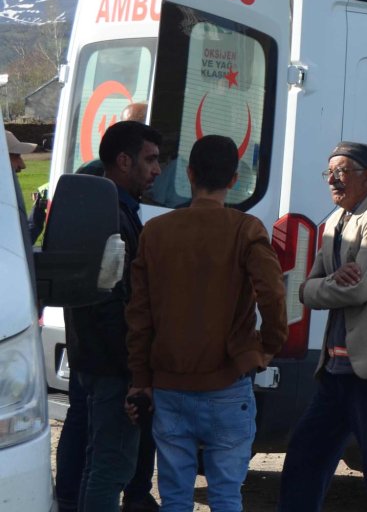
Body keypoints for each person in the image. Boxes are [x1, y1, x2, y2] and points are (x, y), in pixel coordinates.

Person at [125, 135, 288, 511]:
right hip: (228, 382)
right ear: (234, 180)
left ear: (189, 174)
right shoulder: (245, 229)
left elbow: (139, 314)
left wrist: (140, 380)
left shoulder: (156, 232)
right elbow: (273, 293)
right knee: (226, 495)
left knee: (176, 497)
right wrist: (267, 346)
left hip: (168, 384)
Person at [279, 142, 367, 512]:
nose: (333, 180)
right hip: (336, 370)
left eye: (342, 171)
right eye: (329, 173)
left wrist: (328, 285)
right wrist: (328, 284)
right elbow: (305, 290)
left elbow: (360, 288)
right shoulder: (335, 221)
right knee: (305, 455)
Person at [65, 121, 161, 512]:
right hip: (112, 366)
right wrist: (133, 372)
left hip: (92, 358)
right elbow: (112, 303)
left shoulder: (101, 207)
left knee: (97, 462)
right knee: (110, 466)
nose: (157, 170)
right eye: (150, 159)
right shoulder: (115, 216)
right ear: (123, 161)